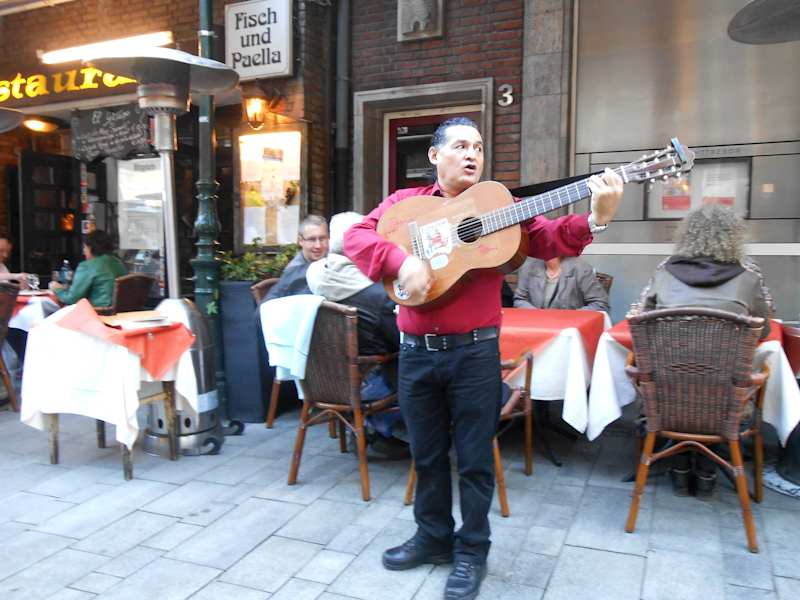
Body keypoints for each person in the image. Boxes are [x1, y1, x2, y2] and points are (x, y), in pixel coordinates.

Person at [344, 116, 623, 600]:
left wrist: (596, 218)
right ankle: (432, 537)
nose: (472, 154)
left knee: (474, 459)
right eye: (460, 146)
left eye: (477, 146)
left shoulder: (500, 206)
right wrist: (401, 261)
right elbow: (356, 237)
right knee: (427, 455)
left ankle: (472, 550)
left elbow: (549, 237)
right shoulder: (405, 205)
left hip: (474, 354)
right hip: (415, 355)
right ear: (435, 156)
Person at [633, 204, 772, 499]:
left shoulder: (664, 274)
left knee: (673, 380)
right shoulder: (748, 279)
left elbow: (641, 322)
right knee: (727, 381)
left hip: (666, 397)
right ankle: (707, 473)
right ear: (734, 236)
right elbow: (764, 331)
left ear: (687, 235)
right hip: (725, 401)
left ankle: (680, 469)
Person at [306, 212, 406, 458]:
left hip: (326, 379)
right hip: (370, 383)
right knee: (420, 356)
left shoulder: (315, 277)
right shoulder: (379, 296)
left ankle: (370, 429)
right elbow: (402, 340)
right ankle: (382, 430)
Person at [48, 230, 126, 307]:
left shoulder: (87, 266)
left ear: (90, 248)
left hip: (96, 311)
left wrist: (57, 289)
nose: (84, 251)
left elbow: (72, 299)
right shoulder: (118, 263)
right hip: (120, 311)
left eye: (84, 247)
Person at [262, 215, 329, 302]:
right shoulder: (293, 271)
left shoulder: (333, 260)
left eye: (322, 238)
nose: (318, 245)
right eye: (312, 239)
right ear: (301, 241)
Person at [513, 256, 609, 311]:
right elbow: (519, 300)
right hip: (536, 327)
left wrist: (569, 317)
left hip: (570, 330)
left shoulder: (581, 267)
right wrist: (537, 315)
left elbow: (600, 304)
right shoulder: (528, 266)